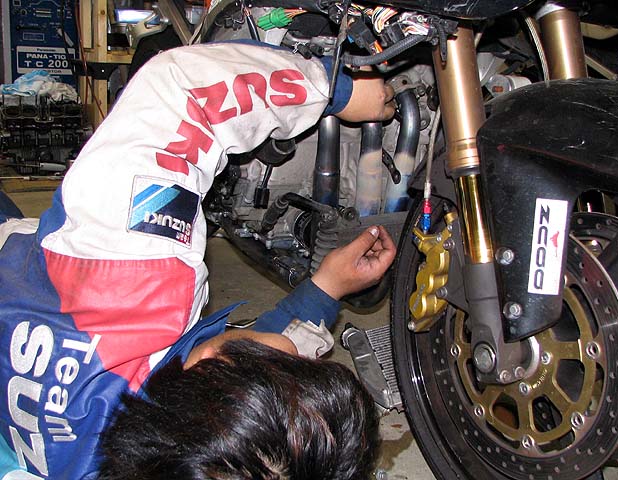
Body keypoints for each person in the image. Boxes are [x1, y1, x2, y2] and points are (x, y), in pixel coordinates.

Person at [0, 39, 396, 479]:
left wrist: (334, 88)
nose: (296, 350)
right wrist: (327, 288)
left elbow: (182, 90)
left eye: (287, 361)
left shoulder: (134, 283)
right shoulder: (161, 452)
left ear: (210, 364)